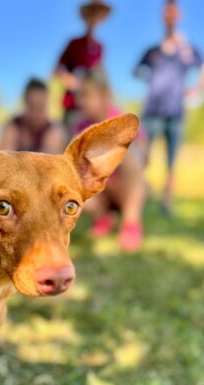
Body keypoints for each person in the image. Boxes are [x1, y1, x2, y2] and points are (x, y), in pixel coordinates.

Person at [134, 0, 204, 214]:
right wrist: (151, 80)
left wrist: (197, 88)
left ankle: (167, 204)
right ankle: (137, 198)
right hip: (152, 111)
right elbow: (136, 70)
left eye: (173, 11)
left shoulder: (186, 49)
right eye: (166, 11)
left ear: (179, 15)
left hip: (175, 112)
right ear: (163, 15)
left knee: (172, 161)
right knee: (143, 157)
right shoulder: (153, 51)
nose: (169, 15)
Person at [75, 71, 147, 252]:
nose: (80, 101)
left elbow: (143, 158)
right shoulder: (81, 127)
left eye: (85, 94)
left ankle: (131, 222)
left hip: (126, 188)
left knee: (129, 152)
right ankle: (103, 217)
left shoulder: (123, 120)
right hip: (100, 190)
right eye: (79, 95)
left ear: (102, 94)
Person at [54, 0, 111, 134]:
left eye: (97, 14)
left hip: (91, 108)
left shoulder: (99, 47)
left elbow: (99, 75)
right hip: (72, 104)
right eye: (91, 13)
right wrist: (72, 82)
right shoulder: (74, 43)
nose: (93, 18)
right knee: (69, 139)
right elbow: (58, 70)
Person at [0, 78, 66, 154]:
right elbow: (4, 157)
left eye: (40, 107)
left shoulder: (54, 131)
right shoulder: (13, 127)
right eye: (32, 106)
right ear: (26, 103)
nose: (36, 112)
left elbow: (53, 159)